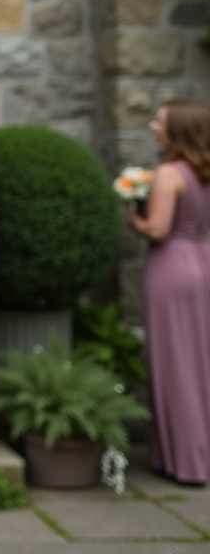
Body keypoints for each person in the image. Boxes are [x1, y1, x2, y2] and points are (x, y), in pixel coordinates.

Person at [128, 100, 210, 485]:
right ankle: (181, 454)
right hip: (200, 259)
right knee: (198, 362)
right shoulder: (202, 171)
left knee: (174, 363)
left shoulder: (168, 172)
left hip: (171, 266)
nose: (152, 126)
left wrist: (134, 218)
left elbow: (158, 230)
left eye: (158, 122)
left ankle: (188, 462)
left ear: (176, 130)